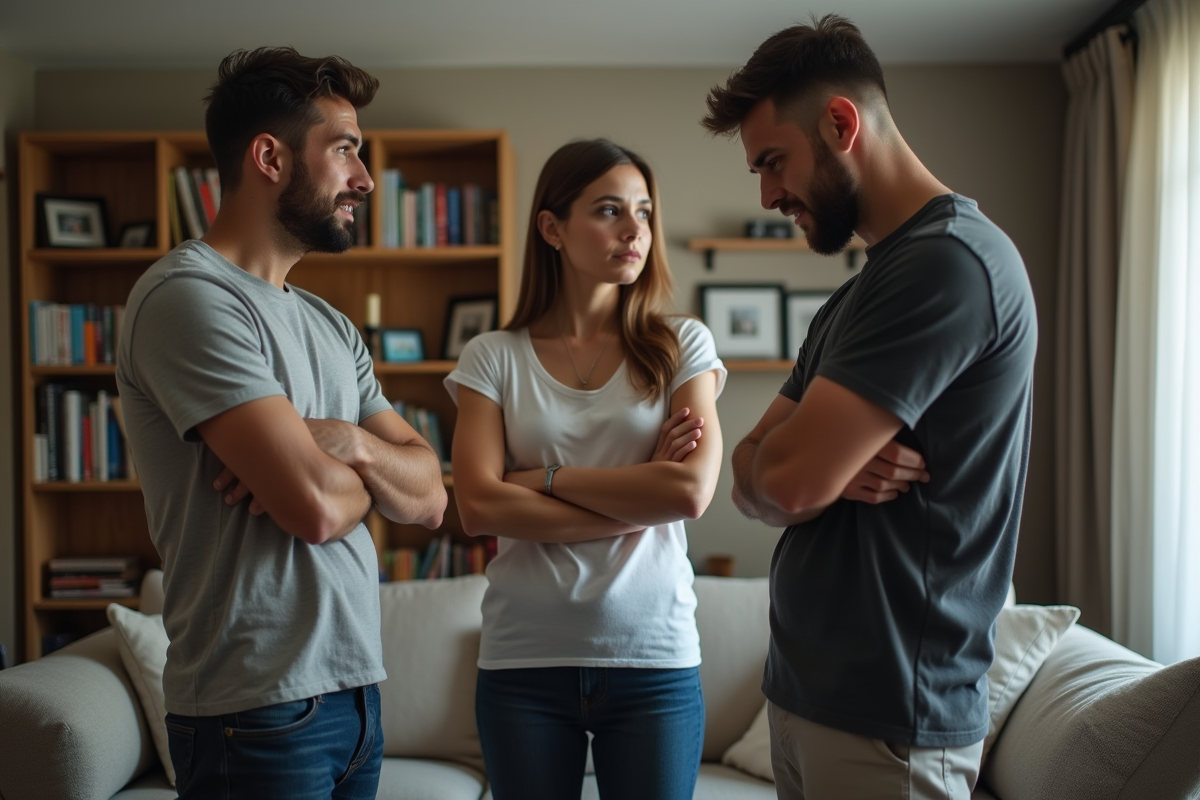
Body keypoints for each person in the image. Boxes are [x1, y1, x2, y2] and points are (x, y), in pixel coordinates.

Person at [702, 15, 1038, 800]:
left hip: (889, 714)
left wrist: (787, 468)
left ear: (841, 123)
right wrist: (787, 467)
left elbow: (778, 484)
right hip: (807, 696)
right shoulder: (858, 294)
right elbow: (748, 472)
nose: (768, 193)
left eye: (774, 162)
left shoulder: (947, 264)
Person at [116, 47, 447, 800]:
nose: (364, 180)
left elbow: (431, 499)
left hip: (355, 694)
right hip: (254, 710)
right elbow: (317, 508)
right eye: (345, 151)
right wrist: (366, 475)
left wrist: (349, 444)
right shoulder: (189, 299)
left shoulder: (329, 324)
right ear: (269, 156)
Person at [445, 138, 726, 800]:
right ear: (552, 227)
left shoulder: (682, 344)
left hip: (652, 658)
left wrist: (543, 478)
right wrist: (637, 494)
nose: (635, 231)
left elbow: (688, 491)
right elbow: (478, 507)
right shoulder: (493, 356)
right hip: (524, 662)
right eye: (608, 210)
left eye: (644, 211)